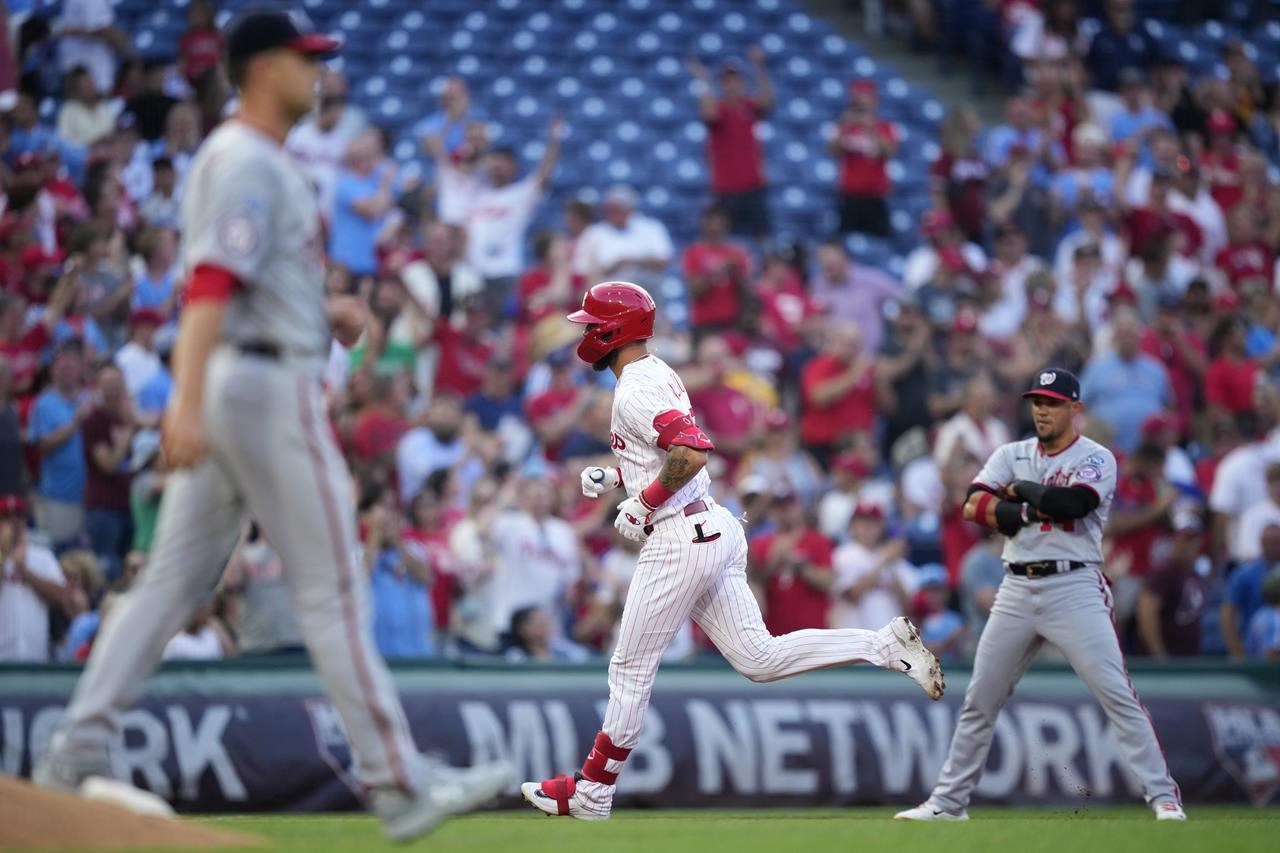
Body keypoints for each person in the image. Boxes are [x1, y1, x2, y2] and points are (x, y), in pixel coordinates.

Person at [33, 12, 511, 842]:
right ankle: (397, 781)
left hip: (245, 373)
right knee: (331, 586)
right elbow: (212, 282)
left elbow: (241, 283)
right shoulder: (247, 157)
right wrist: (183, 400)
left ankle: (74, 753)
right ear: (261, 69)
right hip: (260, 385)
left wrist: (322, 311)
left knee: (170, 586)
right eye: (304, 59)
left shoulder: (251, 158)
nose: (318, 73)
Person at [520, 281, 943, 820]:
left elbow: (692, 453)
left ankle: (593, 791)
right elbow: (666, 451)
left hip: (678, 535)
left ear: (611, 330)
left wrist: (644, 502)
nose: (584, 332)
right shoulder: (656, 370)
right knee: (758, 659)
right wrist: (617, 478)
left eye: (590, 323)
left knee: (629, 667)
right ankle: (883, 646)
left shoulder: (635, 388)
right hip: (713, 526)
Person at [895, 367, 1186, 822]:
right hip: (1015, 585)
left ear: (1075, 408)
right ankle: (948, 803)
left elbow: (1075, 505)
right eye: (1037, 401)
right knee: (980, 698)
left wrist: (1021, 502)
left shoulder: (1097, 457)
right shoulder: (1012, 452)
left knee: (1116, 694)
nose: (1042, 410)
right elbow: (974, 504)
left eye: (1052, 402)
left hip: (1075, 585)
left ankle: (1163, 797)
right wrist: (1030, 505)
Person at [687, 48, 774, 240]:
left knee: (763, 238)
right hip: (726, 189)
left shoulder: (749, 106)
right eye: (727, 81)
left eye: (736, 80)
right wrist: (703, 80)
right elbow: (708, 114)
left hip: (753, 187)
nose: (732, 85)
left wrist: (759, 68)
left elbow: (768, 102)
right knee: (727, 239)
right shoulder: (719, 109)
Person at [28, 340, 91, 548]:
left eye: (72, 365)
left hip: (91, 496)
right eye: (62, 366)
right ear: (52, 370)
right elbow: (42, 446)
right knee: (59, 555)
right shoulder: (43, 404)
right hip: (58, 497)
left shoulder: (89, 399)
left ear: (81, 369)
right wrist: (74, 424)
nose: (67, 371)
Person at [0, 494, 67, 662]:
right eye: (6, 517)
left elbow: (60, 596)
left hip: (35, 657)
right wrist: (3, 555)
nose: (13, 522)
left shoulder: (42, 555)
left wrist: (24, 571)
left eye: (18, 516)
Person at [830, 502, 917, 630]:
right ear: (853, 526)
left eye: (873, 523)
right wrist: (882, 563)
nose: (868, 528)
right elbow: (853, 594)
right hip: (855, 637)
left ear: (881, 526)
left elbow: (909, 604)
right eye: (863, 523)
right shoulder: (842, 555)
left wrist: (891, 567)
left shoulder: (892, 558)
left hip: (888, 637)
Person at [573, 185, 673, 292]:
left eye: (620, 209)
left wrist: (630, 262)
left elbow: (663, 260)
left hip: (646, 288)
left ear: (631, 209)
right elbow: (581, 268)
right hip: (607, 288)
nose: (615, 214)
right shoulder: (593, 233)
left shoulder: (650, 228)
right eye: (611, 210)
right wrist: (612, 267)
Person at [831, 79, 898, 237]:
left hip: (876, 194)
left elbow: (890, 151)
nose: (862, 103)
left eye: (866, 98)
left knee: (881, 238)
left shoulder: (885, 126)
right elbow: (832, 149)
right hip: (850, 194)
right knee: (845, 238)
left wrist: (870, 126)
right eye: (858, 99)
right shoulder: (844, 125)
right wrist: (844, 126)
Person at [1136, 511, 1207, 659]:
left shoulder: (1195, 573)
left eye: (1193, 538)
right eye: (1184, 538)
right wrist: (1159, 655)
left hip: (1189, 658)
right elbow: (1147, 613)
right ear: (1174, 539)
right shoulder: (1164, 571)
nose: (1188, 544)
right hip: (1168, 660)